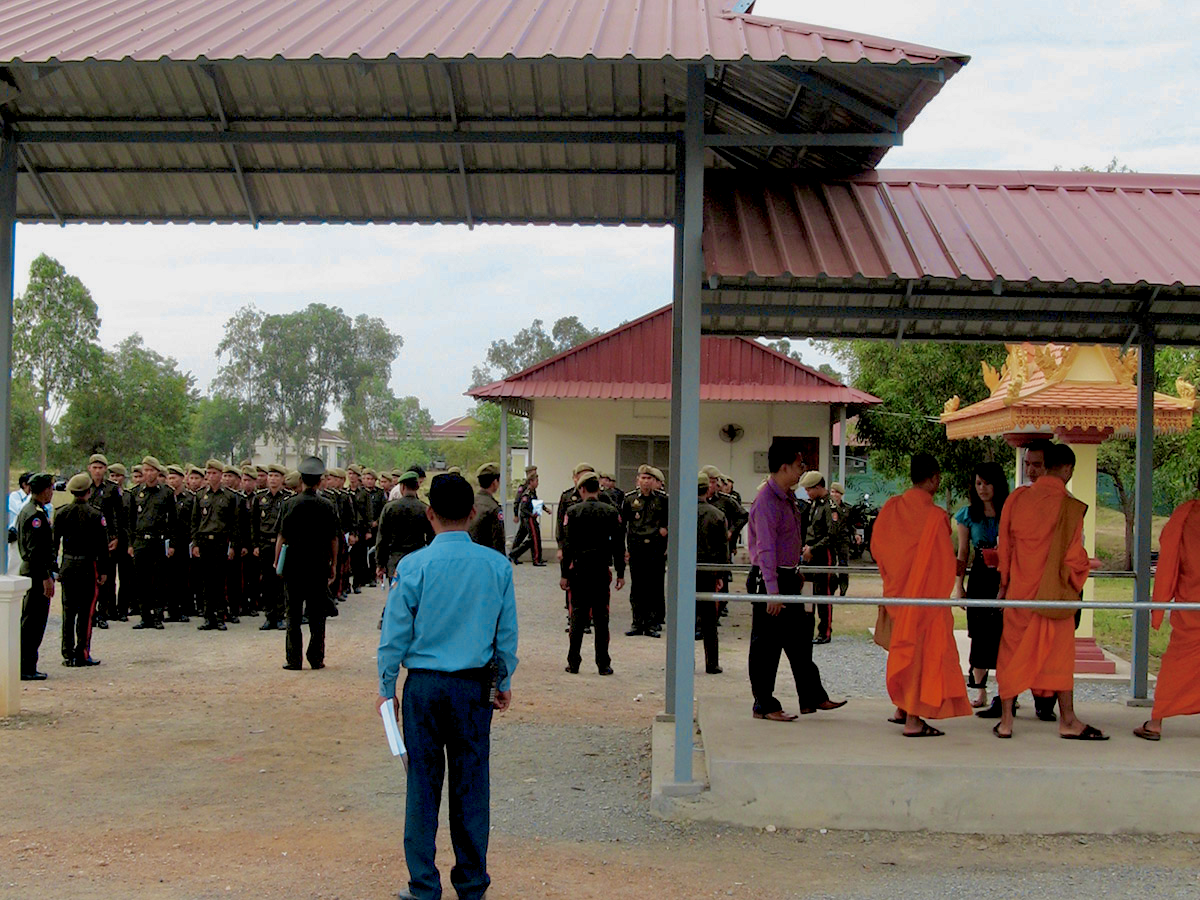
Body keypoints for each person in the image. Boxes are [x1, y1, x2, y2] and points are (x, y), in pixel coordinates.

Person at [376, 472, 518, 900]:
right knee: (471, 785)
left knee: (422, 784)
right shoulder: (497, 566)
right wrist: (503, 680)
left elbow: (394, 635)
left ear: (429, 514)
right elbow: (505, 636)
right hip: (474, 690)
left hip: (424, 688)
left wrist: (388, 688)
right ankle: (472, 885)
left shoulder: (412, 566)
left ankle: (423, 886)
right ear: (473, 513)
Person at [994, 443, 1106, 740]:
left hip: (1019, 595)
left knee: (1011, 654)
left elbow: (1004, 547)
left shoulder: (1016, 500)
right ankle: (1067, 719)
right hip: (1053, 595)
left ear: (1044, 466)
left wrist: (1004, 585)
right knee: (1059, 657)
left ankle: (1006, 721)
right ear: (1067, 469)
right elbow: (1072, 560)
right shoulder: (1069, 506)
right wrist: (1088, 564)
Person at [872, 453, 972, 736]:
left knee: (904, 649)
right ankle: (914, 720)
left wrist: (894, 577)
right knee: (919, 655)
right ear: (934, 479)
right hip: (923, 599)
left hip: (898, 593)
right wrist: (956, 571)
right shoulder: (935, 516)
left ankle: (902, 708)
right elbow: (940, 564)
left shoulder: (891, 507)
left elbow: (879, 547)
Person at [746, 439, 845, 721]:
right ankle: (763, 703)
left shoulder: (787, 497)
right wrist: (773, 592)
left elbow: (788, 541)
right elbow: (765, 548)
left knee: (800, 638)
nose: (802, 469)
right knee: (767, 645)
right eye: (800, 464)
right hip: (770, 579)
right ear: (785, 466)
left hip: (787, 575)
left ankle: (812, 696)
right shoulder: (766, 500)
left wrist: (794, 569)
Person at [985, 438, 1058, 722]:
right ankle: (1006, 702)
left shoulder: (1062, 502)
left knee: (1049, 648)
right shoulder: (1016, 499)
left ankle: (1045, 699)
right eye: (1028, 464)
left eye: (1037, 465)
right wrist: (1004, 586)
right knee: (1012, 649)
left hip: (1049, 590)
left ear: (1049, 467)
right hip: (1020, 588)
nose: (1031, 471)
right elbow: (1006, 545)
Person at [1133, 476, 1200, 740]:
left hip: (1191, 602)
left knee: (1177, 662)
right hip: (1192, 601)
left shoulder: (1187, 515)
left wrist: (1162, 597)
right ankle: (1157, 719)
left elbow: (1170, 555)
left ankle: (1157, 721)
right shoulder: (1186, 514)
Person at [952, 462, 1010, 712]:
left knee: (1003, 633)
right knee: (978, 632)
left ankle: (1007, 693)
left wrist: (1007, 583)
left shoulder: (1009, 511)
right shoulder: (967, 514)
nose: (983, 489)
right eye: (978, 484)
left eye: (987, 483)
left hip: (1003, 576)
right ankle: (979, 690)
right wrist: (959, 585)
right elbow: (963, 552)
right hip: (978, 576)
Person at [276, 456, 339, 670]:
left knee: (292, 614)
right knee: (317, 614)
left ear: (301, 480)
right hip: (318, 565)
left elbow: (281, 537)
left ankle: (294, 659)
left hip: (294, 566)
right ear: (320, 482)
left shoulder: (289, 504)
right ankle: (316, 658)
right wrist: (333, 564)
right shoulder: (327, 506)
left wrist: (278, 562)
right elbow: (333, 538)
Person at [560, 471, 625, 675]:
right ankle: (603, 663)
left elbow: (567, 545)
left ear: (581, 489)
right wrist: (621, 573)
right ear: (598, 489)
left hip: (579, 570)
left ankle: (574, 662)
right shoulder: (611, 512)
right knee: (601, 618)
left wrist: (564, 574)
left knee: (578, 618)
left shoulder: (572, 511)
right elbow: (618, 546)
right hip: (600, 569)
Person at [53, 473, 109, 667]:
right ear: (88, 491)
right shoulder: (96, 514)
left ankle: (67, 653)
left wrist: (56, 568)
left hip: (68, 564)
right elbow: (103, 546)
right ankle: (82, 653)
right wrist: (103, 570)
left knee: (68, 611)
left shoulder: (61, 512)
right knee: (86, 612)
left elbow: (54, 544)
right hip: (87, 566)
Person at [125, 457, 176, 630]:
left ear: (157, 472)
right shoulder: (135, 493)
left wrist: (172, 544)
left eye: (151, 470)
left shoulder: (167, 493)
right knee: (141, 581)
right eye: (145, 470)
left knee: (159, 581)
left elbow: (173, 521)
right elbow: (131, 520)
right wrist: (131, 544)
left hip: (158, 541)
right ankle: (145, 616)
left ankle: (158, 616)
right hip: (140, 541)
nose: (148, 474)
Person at [192, 459, 241, 631]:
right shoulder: (200, 495)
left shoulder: (229, 496)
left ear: (221, 475)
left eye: (214, 473)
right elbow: (195, 521)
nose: (210, 476)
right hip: (204, 541)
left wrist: (233, 546)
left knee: (220, 582)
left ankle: (220, 617)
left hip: (221, 542)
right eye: (208, 473)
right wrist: (195, 543)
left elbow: (235, 524)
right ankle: (208, 617)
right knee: (206, 582)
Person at [18, 473, 57, 680]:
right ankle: (25, 666)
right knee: (33, 623)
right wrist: (45, 577)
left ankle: (27, 664)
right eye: (50, 488)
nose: (52, 492)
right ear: (43, 490)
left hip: (33, 571)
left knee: (31, 621)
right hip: (35, 574)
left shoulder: (33, 510)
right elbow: (35, 552)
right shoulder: (35, 515)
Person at [621, 464, 668, 637]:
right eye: (643, 478)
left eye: (649, 478)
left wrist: (666, 530)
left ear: (655, 481)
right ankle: (637, 622)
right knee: (637, 586)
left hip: (655, 547)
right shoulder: (629, 499)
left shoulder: (663, 499)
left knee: (654, 586)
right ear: (637, 480)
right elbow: (623, 525)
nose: (646, 481)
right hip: (637, 547)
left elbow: (673, 519)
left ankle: (652, 623)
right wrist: (624, 549)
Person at [798, 471, 838, 644]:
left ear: (818, 487)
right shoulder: (813, 504)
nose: (807, 493)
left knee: (823, 593)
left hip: (823, 554)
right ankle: (807, 627)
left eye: (809, 490)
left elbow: (832, 534)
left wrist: (813, 548)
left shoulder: (829, 506)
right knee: (807, 591)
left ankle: (824, 631)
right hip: (809, 553)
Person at [696, 472, 729, 674]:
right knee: (709, 619)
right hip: (708, 571)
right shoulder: (717, 514)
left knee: (685, 618)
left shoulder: (681, 512)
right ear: (707, 489)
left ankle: (683, 661)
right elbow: (722, 550)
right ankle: (712, 663)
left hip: (685, 572)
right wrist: (720, 576)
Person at [252, 463, 290, 631]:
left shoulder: (288, 498)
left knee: (281, 580)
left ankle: (281, 616)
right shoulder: (259, 497)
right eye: (270, 476)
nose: (273, 479)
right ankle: (269, 616)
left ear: (282, 479)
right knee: (267, 582)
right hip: (265, 543)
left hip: (282, 544)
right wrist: (255, 544)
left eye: (276, 476)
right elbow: (253, 523)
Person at [467, 463, 505, 555]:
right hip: (486, 555)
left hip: (468, 553)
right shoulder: (493, 508)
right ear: (495, 482)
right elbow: (498, 540)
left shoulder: (469, 502)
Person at [508, 466, 544, 565]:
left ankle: (515, 555)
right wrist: (515, 514)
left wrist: (541, 509)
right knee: (530, 537)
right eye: (533, 473)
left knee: (523, 536)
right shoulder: (523, 487)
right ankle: (514, 555)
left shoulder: (533, 489)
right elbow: (518, 501)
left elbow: (535, 500)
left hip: (529, 516)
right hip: (526, 516)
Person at [829, 482, 852, 598]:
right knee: (831, 564)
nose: (834, 494)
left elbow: (850, 524)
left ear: (841, 494)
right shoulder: (828, 507)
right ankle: (833, 586)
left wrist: (856, 535)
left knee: (843, 564)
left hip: (843, 539)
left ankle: (843, 589)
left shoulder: (847, 508)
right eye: (832, 491)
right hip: (831, 539)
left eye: (836, 492)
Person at [7, 471, 32, 574]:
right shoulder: (15, 496)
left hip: (29, 536)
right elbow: (21, 510)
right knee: (14, 565)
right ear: (24, 484)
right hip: (16, 536)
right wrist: (31, 496)